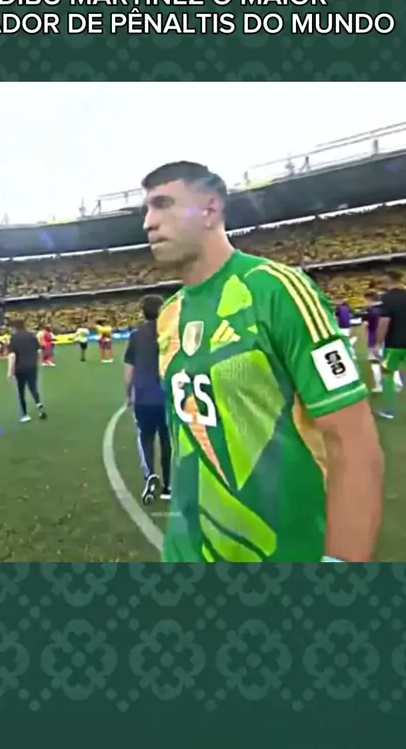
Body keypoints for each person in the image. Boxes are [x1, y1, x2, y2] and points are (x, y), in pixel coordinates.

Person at [141, 160, 384, 563]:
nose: (148, 222)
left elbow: (352, 440)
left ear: (210, 209)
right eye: (146, 209)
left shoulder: (279, 290)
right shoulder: (169, 315)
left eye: (163, 204)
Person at [123, 294, 171, 503]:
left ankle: (150, 475)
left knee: (145, 438)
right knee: (168, 440)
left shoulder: (136, 336)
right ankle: (168, 485)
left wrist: (128, 394)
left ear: (143, 312)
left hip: (143, 396)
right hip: (167, 396)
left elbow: (129, 370)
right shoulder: (171, 332)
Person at [376, 270, 406, 419]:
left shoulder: (387, 298)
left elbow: (384, 322)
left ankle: (388, 410)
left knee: (387, 376)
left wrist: (377, 342)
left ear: (388, 279)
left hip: (393, 345)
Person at [7, 319, 47, 423]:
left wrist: (10, 371)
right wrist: (39, 363)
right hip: (32, 366)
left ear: (15, 327)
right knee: (33, 388)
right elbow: (39, 351)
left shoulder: (14, 338)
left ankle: (25, 415)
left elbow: (12, 355)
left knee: (21, 391)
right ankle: (39, 405)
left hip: (20, 368)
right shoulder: (31, 336)